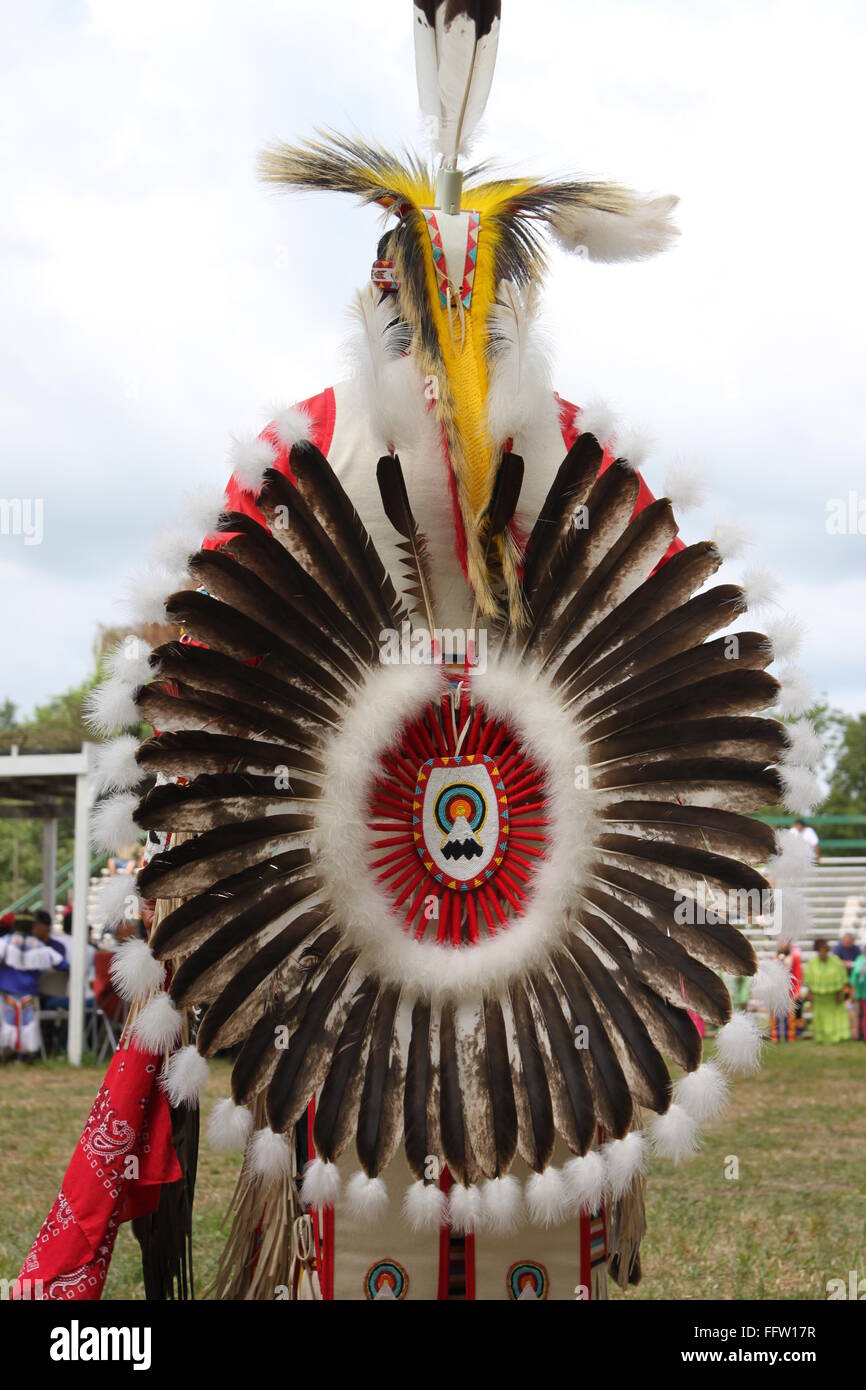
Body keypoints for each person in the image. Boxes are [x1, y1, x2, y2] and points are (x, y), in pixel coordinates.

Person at [0, 915, 66, 1059]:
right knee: (28, 1025)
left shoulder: (5, 942)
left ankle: (7, 1054)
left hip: (7, 993)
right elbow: (62, 964)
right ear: (32, 927)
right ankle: (24, 1056)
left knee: (7, 1023)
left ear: (14, 926)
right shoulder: (38, 946)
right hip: (29, 993)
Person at [803, 937, 850, 1043]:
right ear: (817, 951)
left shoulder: (836, 962)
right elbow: (809, 980)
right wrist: (810, 994)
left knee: (835, 1017)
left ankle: (837, 1037)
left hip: (833, 997)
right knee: (820, 1017)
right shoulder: (812, 964)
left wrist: (840, 993)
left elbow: (842, 978)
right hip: (818, 998)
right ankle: (821, 1038)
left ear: (827, 950)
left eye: (825, 950)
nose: (823, 952)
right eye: (820, 950)